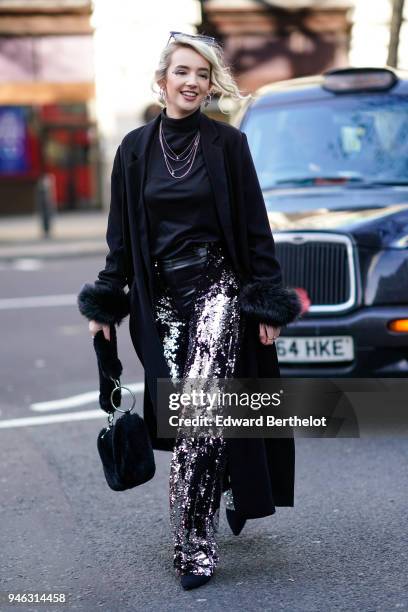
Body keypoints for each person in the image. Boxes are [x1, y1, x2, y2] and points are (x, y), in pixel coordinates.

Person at [78, 31, 301, 590]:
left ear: (209, 85)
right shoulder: (133, 149)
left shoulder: (227, 145)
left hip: (218, 288)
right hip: (162, 300)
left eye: (202, 75)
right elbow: (121, 240)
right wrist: (107, 299)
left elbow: (255, 228)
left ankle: (193, 543)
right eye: (183, 72)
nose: (193, 82)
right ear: (162, 81)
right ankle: (220, 478)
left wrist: (266, 297)